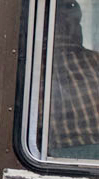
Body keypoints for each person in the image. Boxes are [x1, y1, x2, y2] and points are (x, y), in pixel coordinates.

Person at [47, 0, 99, 158]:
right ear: (72, 28)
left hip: (50, 155)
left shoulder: (25, 69)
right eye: (78, 23)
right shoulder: (95, 62)